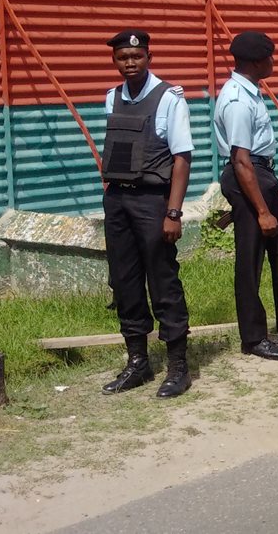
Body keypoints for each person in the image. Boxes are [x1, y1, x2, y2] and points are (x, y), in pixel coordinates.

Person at [99, 30, 194, 398]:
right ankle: (137, 363)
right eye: (122, 57)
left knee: (163, 282)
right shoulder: (112, 97)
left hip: (154, 202)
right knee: (124, 282)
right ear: (115, 61)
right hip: (118, 201)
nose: (129, 63)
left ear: (148, 57)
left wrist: (173, 211)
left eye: (136, 56)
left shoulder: (169, 98)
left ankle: (178, 367)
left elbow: (182, 158)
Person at [214, 30, 278, 361]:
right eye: (270, 57)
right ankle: (253, 337)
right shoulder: (237, 100)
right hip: (248, 176)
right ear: (257, 61)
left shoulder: (251, 92)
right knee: (251, 259)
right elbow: (241, 159)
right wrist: (261, 211)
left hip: (262, 175)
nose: (274, 62)